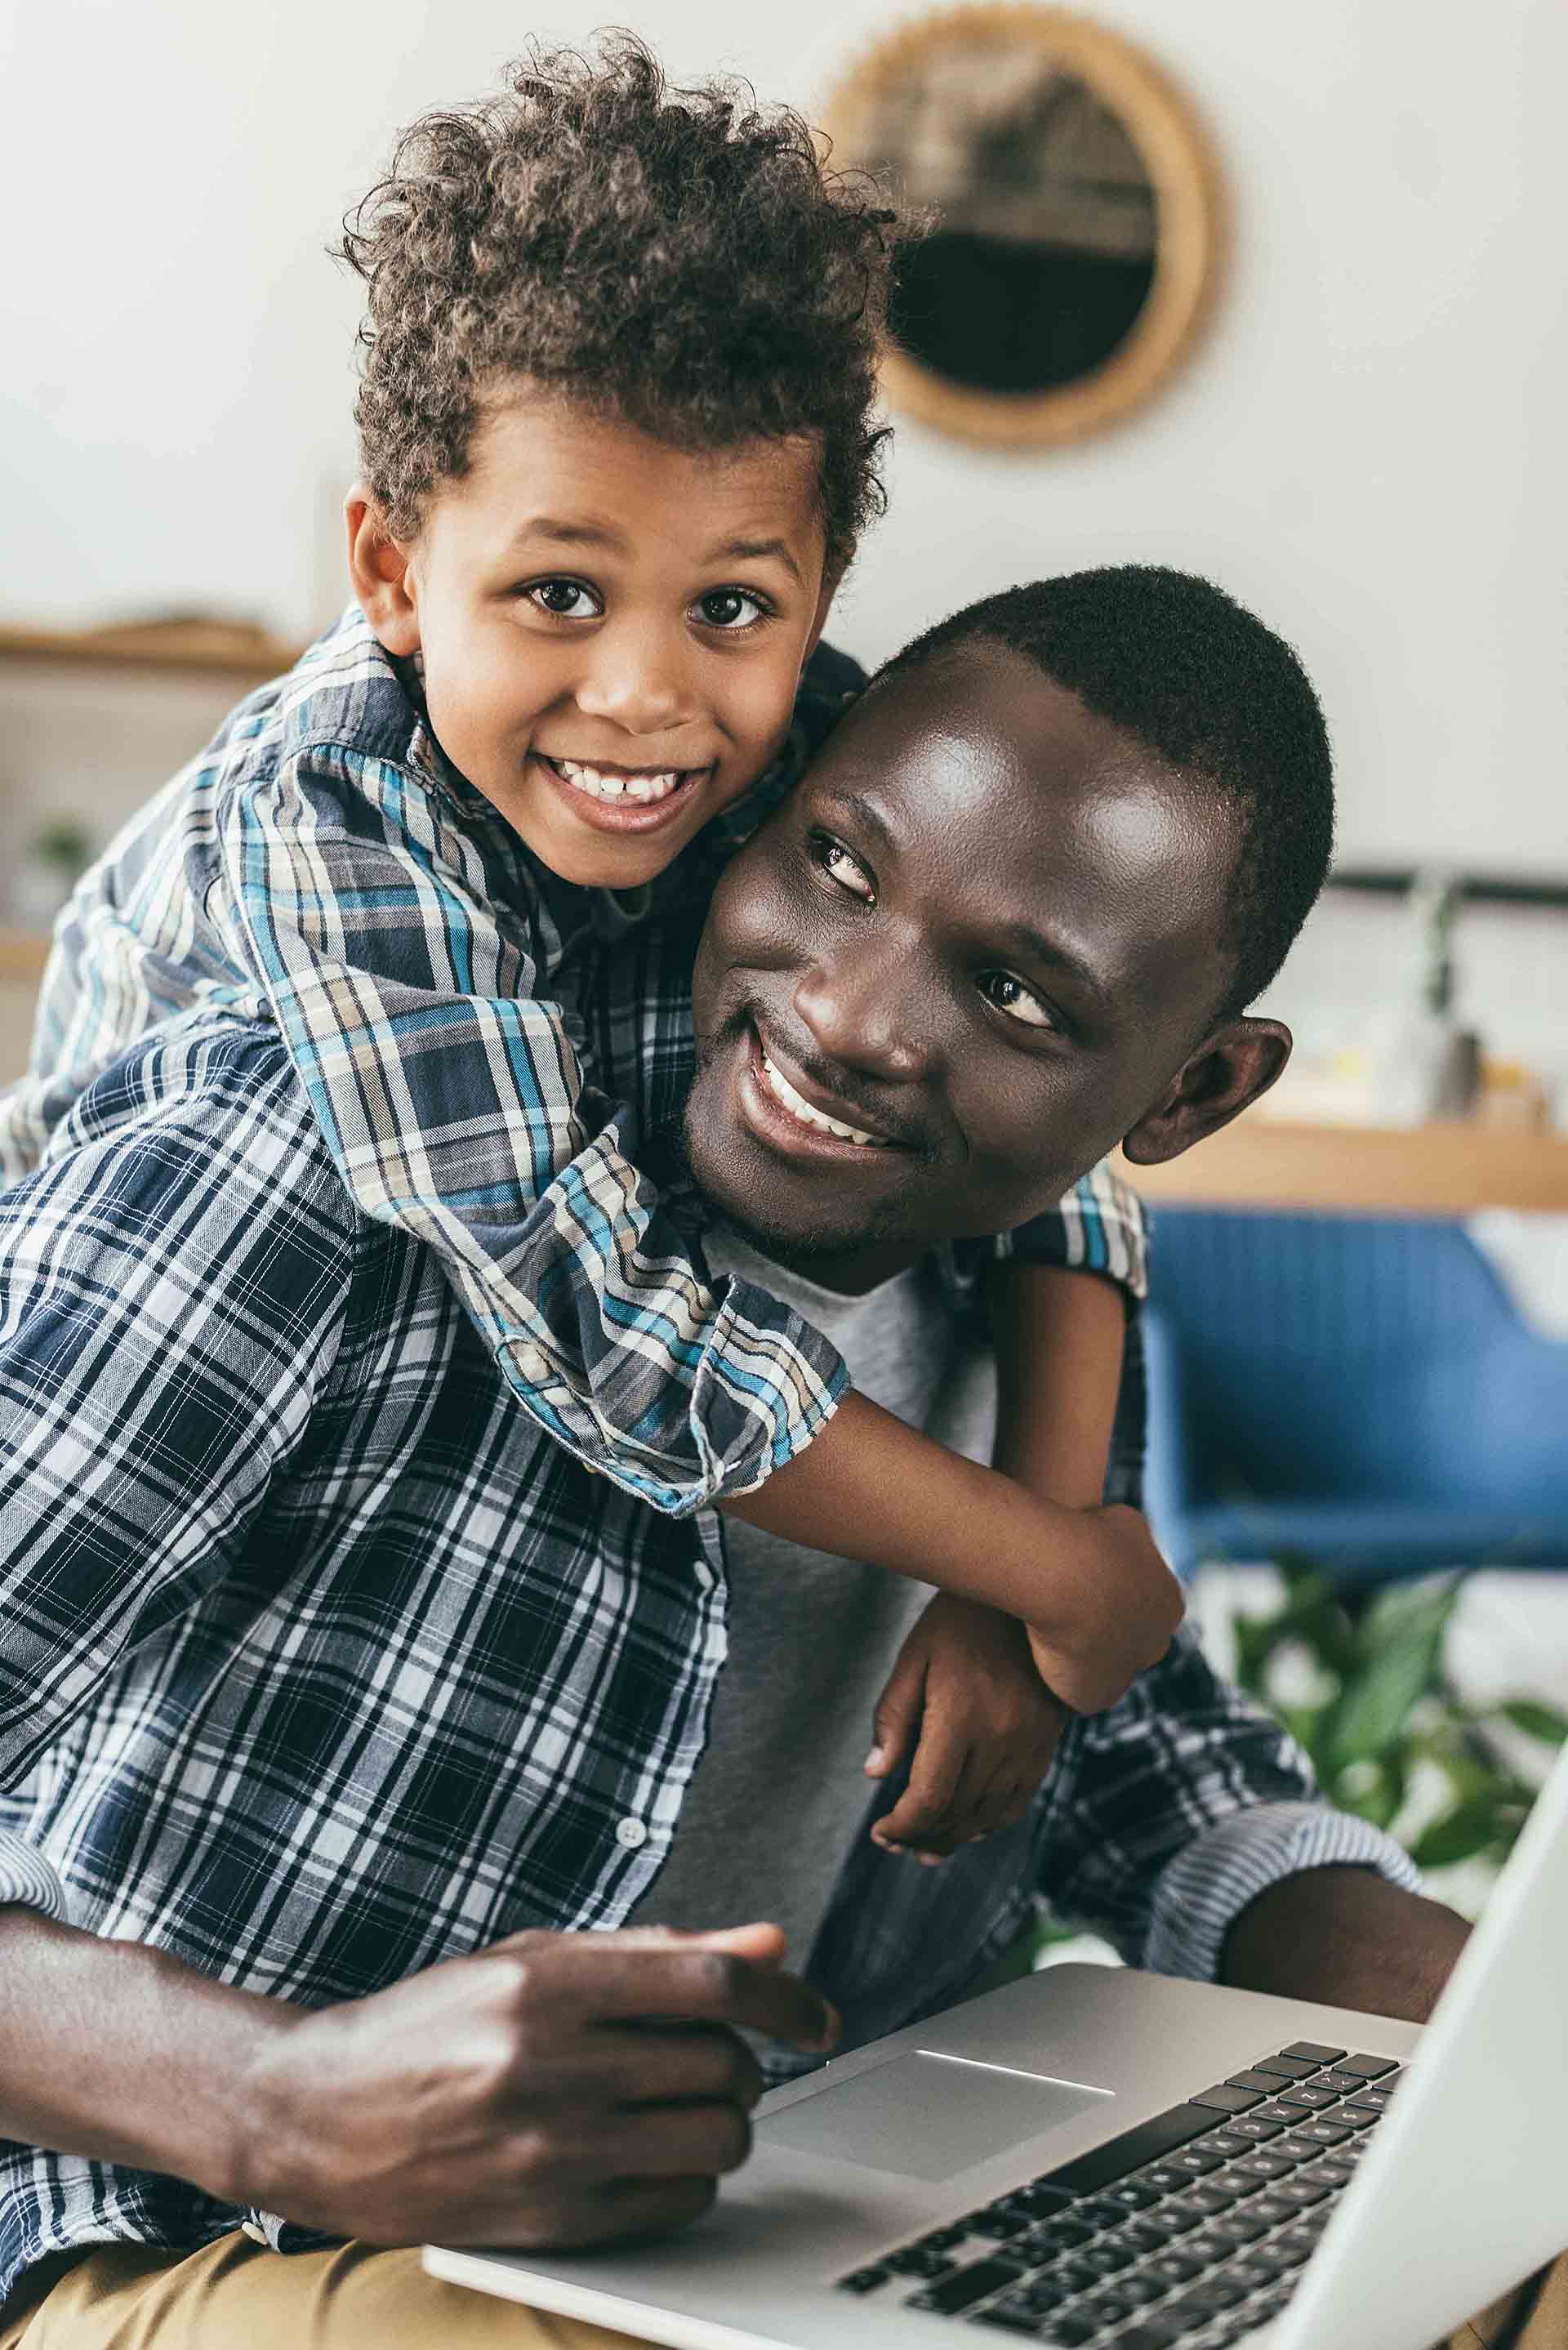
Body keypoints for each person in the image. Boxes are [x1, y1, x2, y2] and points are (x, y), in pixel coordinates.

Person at [2, 568, 1508, 2350]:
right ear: (756, 809)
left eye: (1017, 993)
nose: (857, 1014)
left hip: (742, 2242)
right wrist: (271, 2092)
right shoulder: (316, 1168)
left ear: (1184, 1097)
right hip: (184, 2226)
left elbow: (1121, 1745)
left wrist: (1461, 2020)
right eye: (842, 865)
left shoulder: (1021, 1301)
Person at [0, 38, 1177, 1856]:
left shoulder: (812, 754)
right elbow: (594, 1310)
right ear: (392, 574)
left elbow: (1061, 1155)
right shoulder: (330, 822)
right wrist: (1044, 1554)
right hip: (167, 1414)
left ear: (817, 595)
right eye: (557, 591)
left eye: (730, 603)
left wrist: (1036, 1570)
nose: (644, 696)